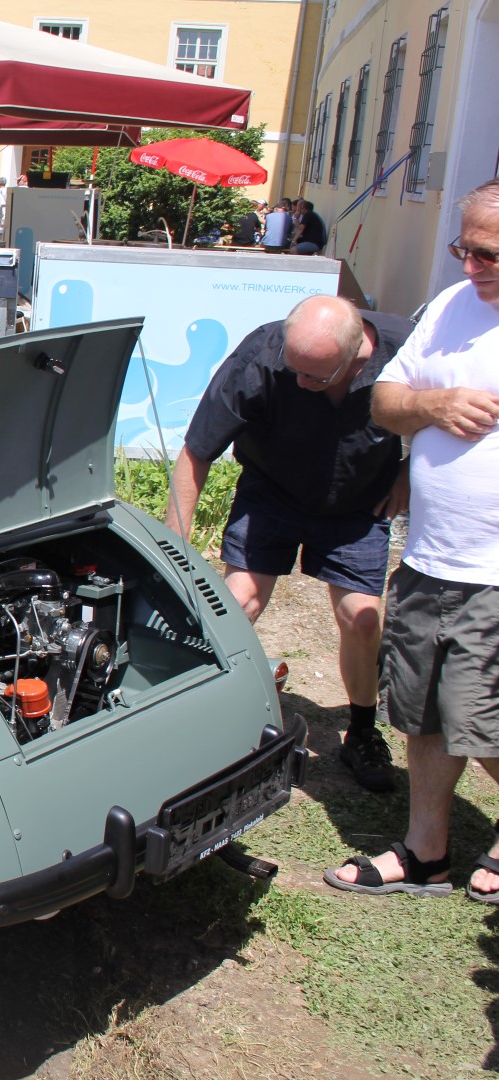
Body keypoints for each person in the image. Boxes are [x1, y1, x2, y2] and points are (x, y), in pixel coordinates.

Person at [324, 180, 499, 898]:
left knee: (480, 720)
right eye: (464, 247)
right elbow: (386, 401)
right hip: (430, 555)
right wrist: (434, 402)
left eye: (485, 252)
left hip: (495, 570)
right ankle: (427, 851)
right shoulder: (454, 307)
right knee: (421, 710)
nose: (468, 265)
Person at [166, 295, 415, 792]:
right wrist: (174, 548)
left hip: (356, 504)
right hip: (272, 494)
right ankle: (192, 720)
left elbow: (445, 415)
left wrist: (409, 472)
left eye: (315, 378)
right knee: (238, 603)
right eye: (293, 370)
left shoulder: (407, 349)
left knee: (363, 618)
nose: (299, 383)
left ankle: (362, 733)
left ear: (356, 357)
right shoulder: (263, 353)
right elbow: (196, 452)